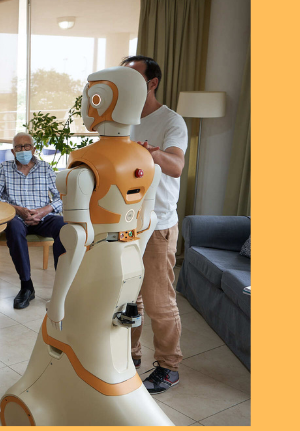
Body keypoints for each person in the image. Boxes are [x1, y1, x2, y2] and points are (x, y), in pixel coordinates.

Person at [121, 55, 188, 394]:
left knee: (159, 300)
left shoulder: (171, 121)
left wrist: (154, 153)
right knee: (129, 297)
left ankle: (168, 366)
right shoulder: (124, 119)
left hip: (158, 224)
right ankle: (130, 355)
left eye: (133, 78)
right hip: (126, 222)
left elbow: (175, 166)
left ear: (152, 83)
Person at [0, 132, 67, 310]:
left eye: (26, 146)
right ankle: (26, 286)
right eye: (18, 147)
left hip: (43, 217)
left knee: (64, 227)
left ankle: (62, 288)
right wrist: (18, 210)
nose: (22, 150)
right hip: (16, 218)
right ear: (13, 151)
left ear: (34, 149)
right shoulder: (4, 168)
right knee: (13, 227)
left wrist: (44, 210)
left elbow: (61, 197)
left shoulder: (45, 168)